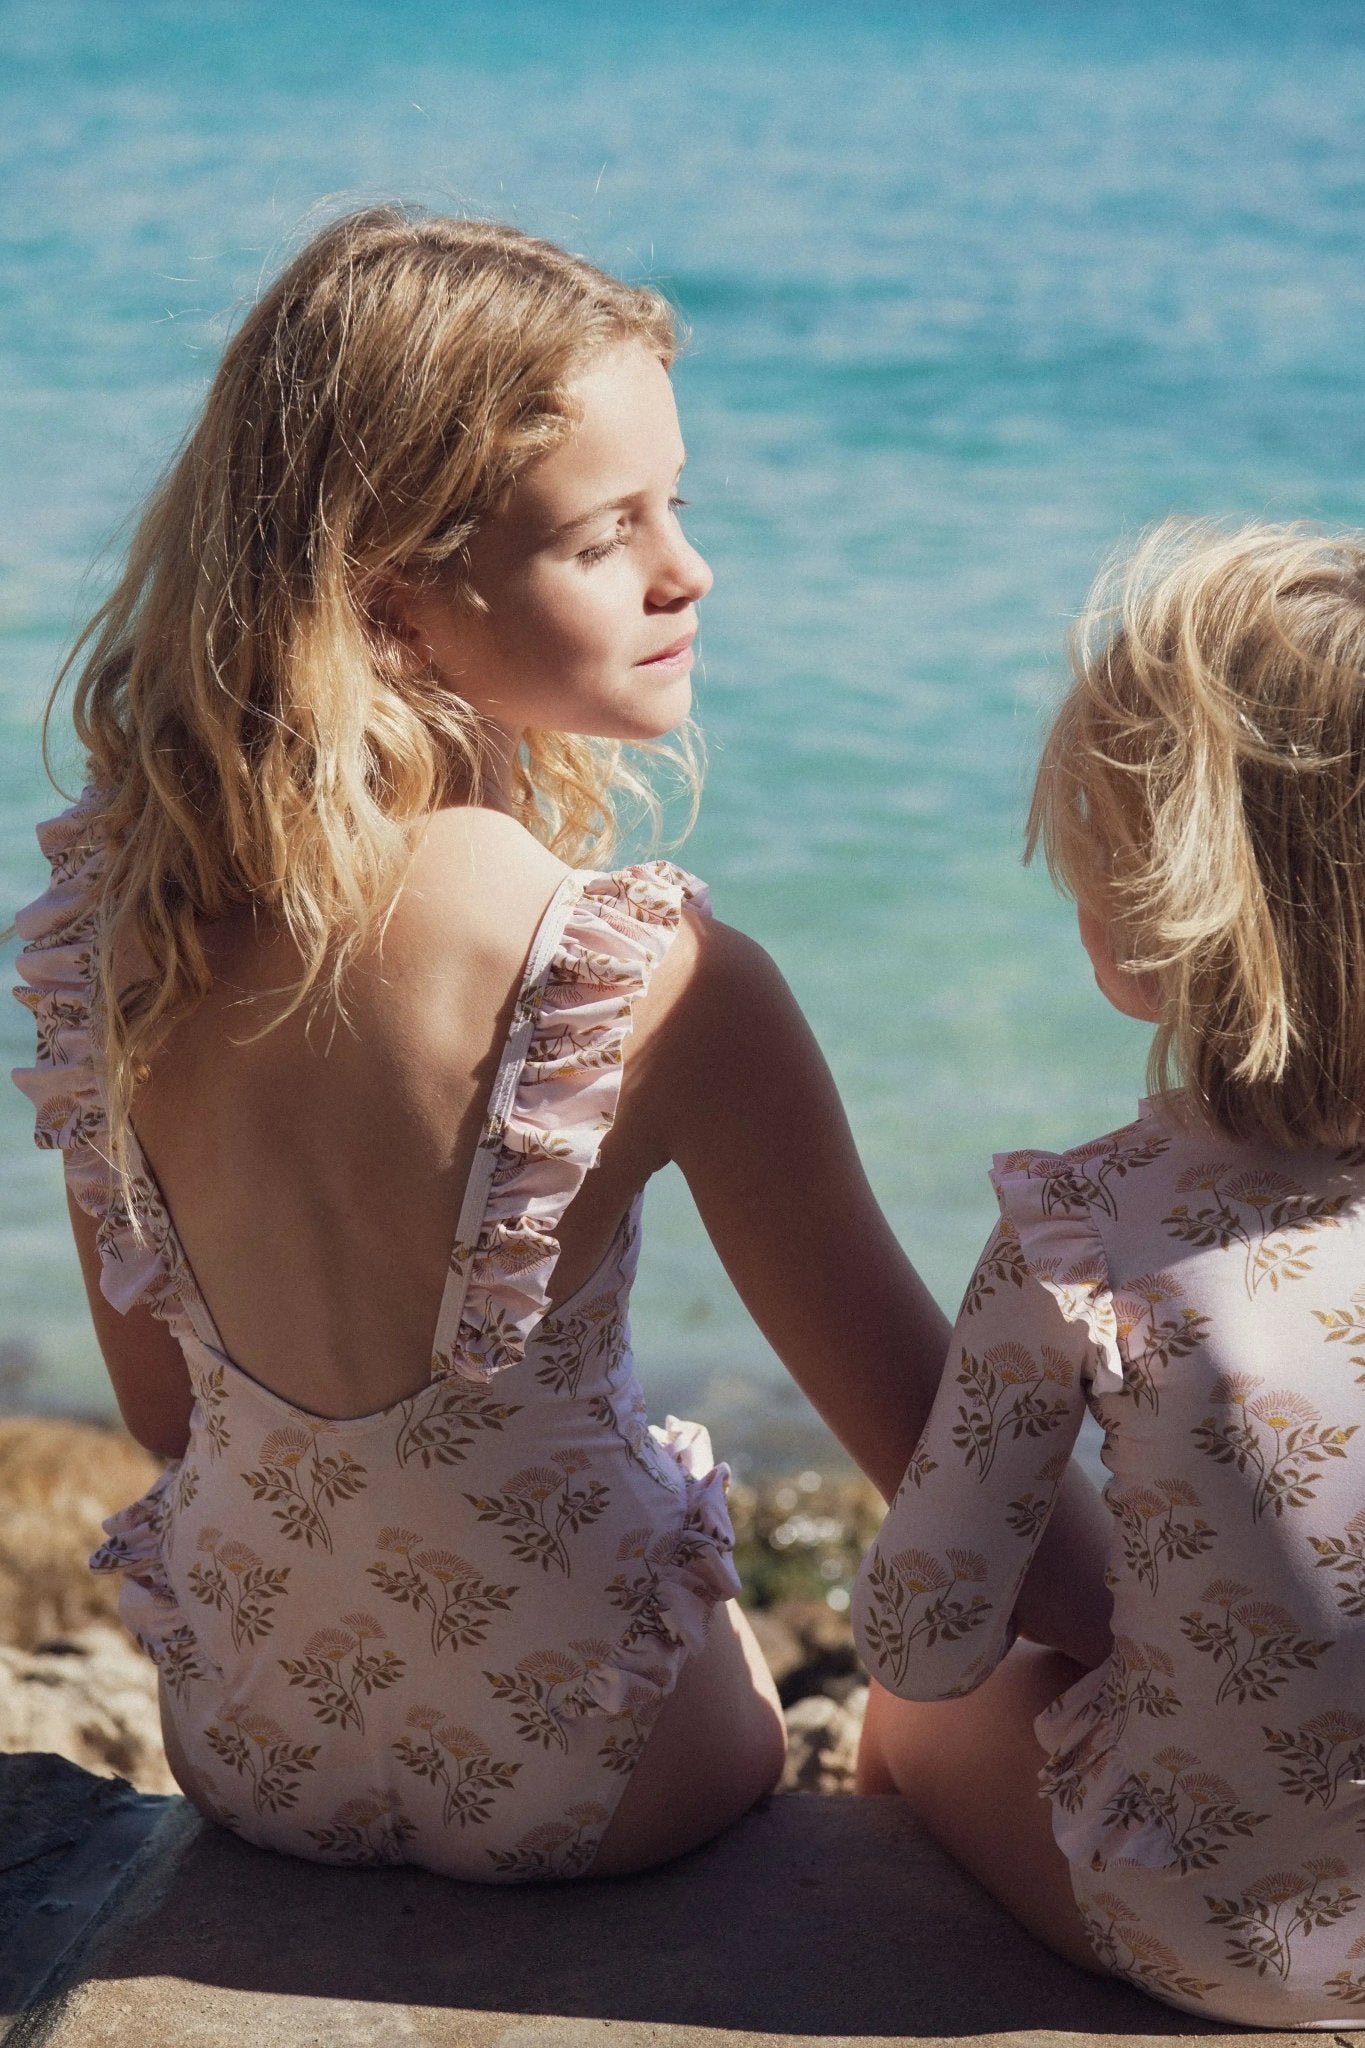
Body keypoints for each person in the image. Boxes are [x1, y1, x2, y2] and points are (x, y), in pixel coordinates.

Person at [10, 205, 977, 1883]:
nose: (690, 568)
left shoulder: (117, 925)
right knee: (932, 1706)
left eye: (677, 505)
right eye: (607, 534)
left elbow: (166, 1418)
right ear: (390, 602)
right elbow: (949, 1476)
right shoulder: (645, 973)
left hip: (250, 1745)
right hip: (608, 1775)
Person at [854, 519, 1365, 2027]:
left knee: (897, 1722)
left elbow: (924, 1634)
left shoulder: (1088, 1237)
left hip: (1228, 1943)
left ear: (1146, 929)